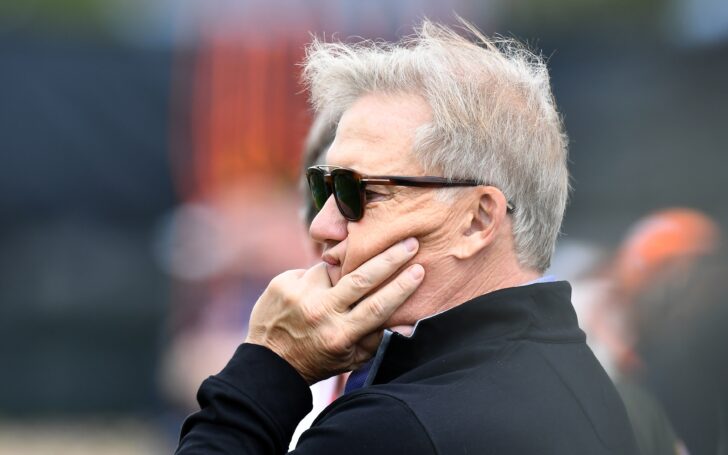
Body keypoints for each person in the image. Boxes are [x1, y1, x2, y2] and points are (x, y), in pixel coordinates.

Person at [176, 19, 639, 454]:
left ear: (478, 221)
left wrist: (270, 365)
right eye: (324, 187)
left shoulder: (392, 427)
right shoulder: (582, 379)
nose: (322, 226)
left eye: (361, 192)